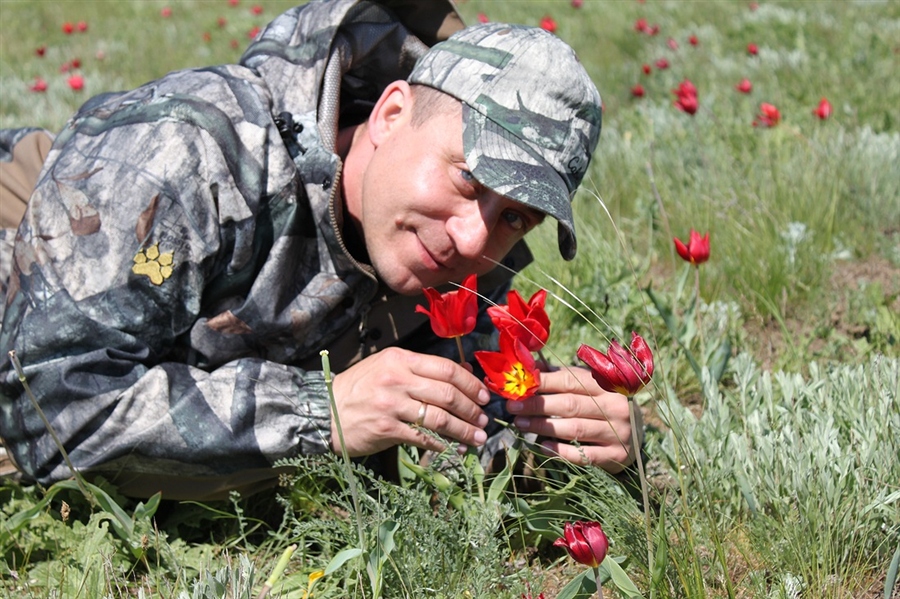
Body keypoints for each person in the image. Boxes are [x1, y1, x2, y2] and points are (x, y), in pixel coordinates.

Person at [0, 0, 640, 501]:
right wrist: (319, 412)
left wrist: (605, 442)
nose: (475, 239)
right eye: (469, 179)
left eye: (515, 218)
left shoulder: (453, 249)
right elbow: (48, 407)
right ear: (391, 116)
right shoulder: (187, 156)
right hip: (52, 235)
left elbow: (469, 423)